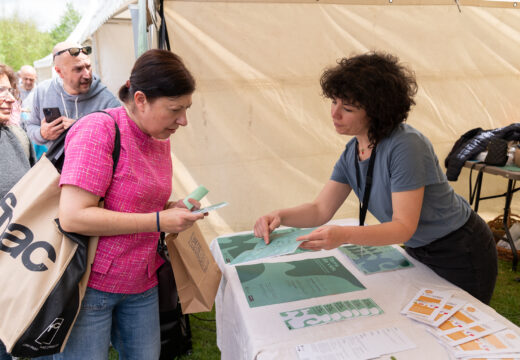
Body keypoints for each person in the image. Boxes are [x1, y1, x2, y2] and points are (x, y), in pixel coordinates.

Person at [254, 52, 497, 304]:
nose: (334, 114)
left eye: (347, 108)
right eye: (334, 102)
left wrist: (344, 235)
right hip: (419, 247)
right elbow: (320, 209)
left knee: (458, 326)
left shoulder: (406, 145)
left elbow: (403, 226)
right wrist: (280, 216)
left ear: (377, 112)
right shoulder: (353, 149)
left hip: (459, 249)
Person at [51, 49, 205, 360]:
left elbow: (139, 201)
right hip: (90, 285)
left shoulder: (159, 137)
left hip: (142, 281)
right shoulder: (99, 130)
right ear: (140, 99)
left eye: (186, 108)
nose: (184, 120)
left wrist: (173, 206)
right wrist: (159, 221)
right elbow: (73, 216)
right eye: (175, 109)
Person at [0, 64, 36, 360]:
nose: (11, 98)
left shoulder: (16, 135)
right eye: (0, 92)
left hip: (19, 265)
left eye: (10, 90)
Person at [26, 41, 120, 149]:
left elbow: (121, 139)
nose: (87, 75)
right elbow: (31, 126)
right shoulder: (43, 91)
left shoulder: (107, 101)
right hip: (54, 165)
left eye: (88, 67)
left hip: (91, 165)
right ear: (59, 71)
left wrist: (81, 129)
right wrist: (42, 134)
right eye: (78, 69)